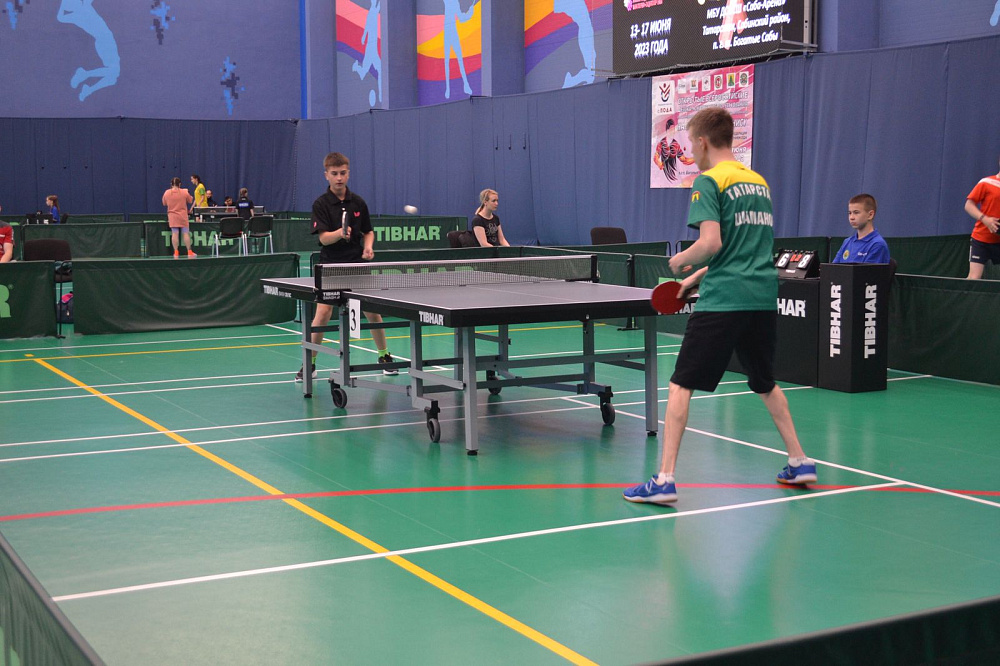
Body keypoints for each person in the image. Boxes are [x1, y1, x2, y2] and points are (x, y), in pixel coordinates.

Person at [624, 107, 816, 505]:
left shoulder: (708, 182)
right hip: (761, 297)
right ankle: (799, 461)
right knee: (764, 381)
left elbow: (711, 243)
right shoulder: (758, 182)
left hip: (725, 299)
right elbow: (744, 250)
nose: (691, 151)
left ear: (703, 141)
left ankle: (664, 479)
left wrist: (681, 261)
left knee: (681, 383)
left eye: (691, 143)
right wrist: (696, 278)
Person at [296, 152, 396, 381]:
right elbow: (323, 239)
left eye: (342, 173)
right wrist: (339, 234)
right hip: (331, 265)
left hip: (357, 264)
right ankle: (310, 363)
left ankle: (384, 355)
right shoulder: (321, 204)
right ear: (326, 175)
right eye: (334, 174)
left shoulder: (358, 202)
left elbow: (368, 231)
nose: (339, 178)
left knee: (372, 311)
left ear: (348, 173)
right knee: (323, 313)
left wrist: (368, 247)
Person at [964, 157, 1000, 279]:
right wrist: (985, 219)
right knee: (974, 277)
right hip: (981, 239)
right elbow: (968, 205)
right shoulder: (986, 182)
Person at [832, 194, 890, 264]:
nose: (851, 217)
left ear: (870, 215)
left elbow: (866, 271)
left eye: (856, 212)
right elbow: (833, 268)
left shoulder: (877, 244)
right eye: (849, 213)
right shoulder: (847, 242)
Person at [162, 177, 196, 258]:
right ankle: (189, 252)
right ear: (180, 184)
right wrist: (187, 192)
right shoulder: (184, 192)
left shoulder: (167, 192)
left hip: (172, 216)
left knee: (175, 233)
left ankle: (176, 252)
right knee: (186, 233)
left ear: (171, 184)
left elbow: (164, 203)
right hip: (183, 216)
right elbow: (190, 200)